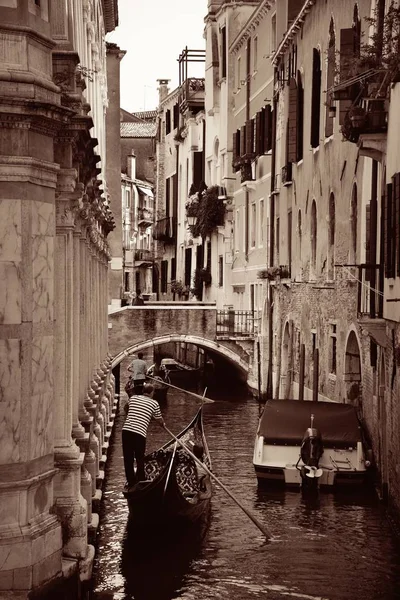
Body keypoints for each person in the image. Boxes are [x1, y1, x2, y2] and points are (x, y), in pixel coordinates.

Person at [122, 383, 166, 489]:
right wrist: (163, 424)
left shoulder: (133, 398)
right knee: (139, 458)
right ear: (151, 393)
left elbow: (125, 408)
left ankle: (131, 482)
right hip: (139, 433)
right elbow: (159, 420)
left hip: (126, 431)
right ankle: (141, 481)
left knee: (128, 459)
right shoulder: (154, 403)